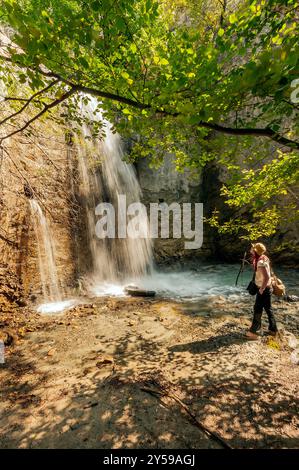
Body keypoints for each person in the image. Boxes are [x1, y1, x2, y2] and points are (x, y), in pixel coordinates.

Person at [246, 242, 278, 340]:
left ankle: (254, 332)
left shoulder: (260, 262)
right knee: (268, 309)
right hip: (267, 288)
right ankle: (273, 330)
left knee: (257, 309)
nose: (251, 249)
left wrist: (262, 289)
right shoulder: (263, 258)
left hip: (264, 289)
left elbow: (267, 276)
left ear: (255, 251)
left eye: (253, 249)